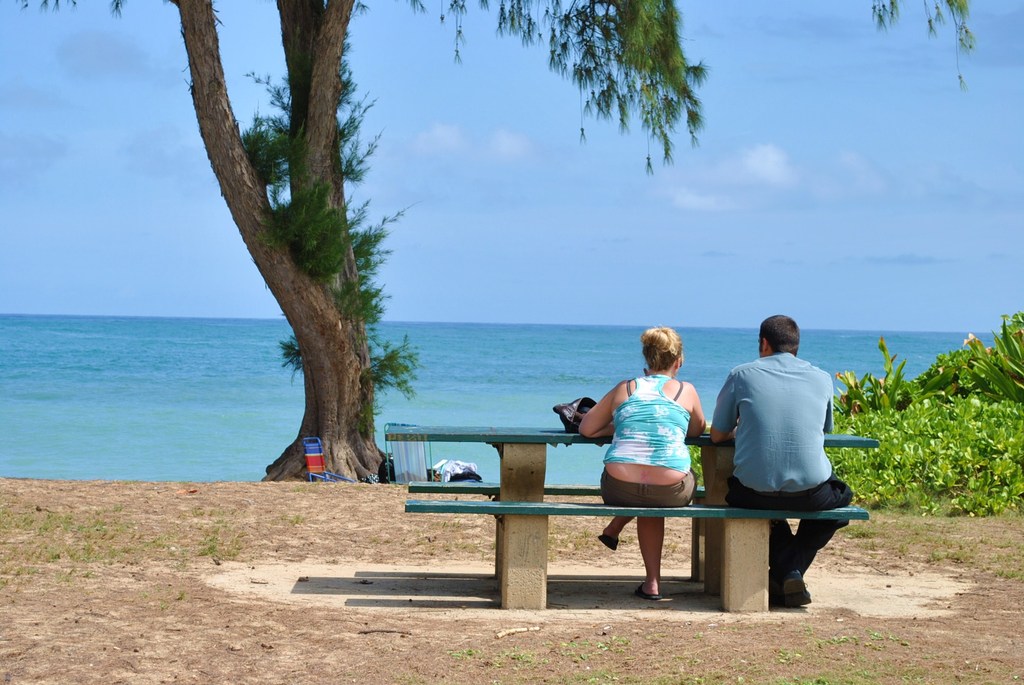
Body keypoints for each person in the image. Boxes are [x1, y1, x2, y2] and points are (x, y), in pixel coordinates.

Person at [710, 315, 854, 608]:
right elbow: (824, 429)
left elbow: (716, 435)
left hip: (752, 493)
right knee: (842, 500)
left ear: (764, 343)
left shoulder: (741, 374)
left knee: (761, 503)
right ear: (796, 346)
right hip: (810, 493)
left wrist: (742, 428)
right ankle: (789, 573)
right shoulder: (822, 378)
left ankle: (787, 572)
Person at [579, 326, 706, 601]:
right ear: (679, 361)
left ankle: (619, 534)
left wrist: (618, 427)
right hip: (670, 489)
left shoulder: (625, 387)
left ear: (647, 359)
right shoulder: (687, 390)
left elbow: (587, 429)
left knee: (643, 491)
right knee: (659, 490)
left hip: (619, 486)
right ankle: (652, 582)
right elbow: (696, 430)